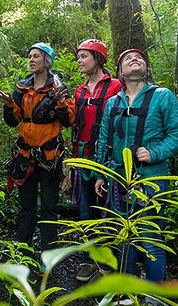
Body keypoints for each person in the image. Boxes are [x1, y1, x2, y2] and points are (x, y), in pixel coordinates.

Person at [93, 48, 178, 298]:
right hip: (118, 178)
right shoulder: (114, 102)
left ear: (146, 68)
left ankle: (154, 297)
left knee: (149, 237)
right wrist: (101, 173)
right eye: (127, 59)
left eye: (140, 58)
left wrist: (154, 152)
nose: (135, 60)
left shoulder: (162, 96)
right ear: (121, 72)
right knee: (124, 236)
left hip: (151, 178)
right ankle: (129, 292)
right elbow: (104, 138)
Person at [0, 43, 76, 252]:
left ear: (47, 61)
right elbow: (14, 121)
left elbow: (70, 120)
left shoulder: (58, 88)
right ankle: (23, 250)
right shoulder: (22, 87)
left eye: (36, 56)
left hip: (50, 157)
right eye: (29, 56)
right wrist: (10, 104)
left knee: (49, 207)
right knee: (27, 207)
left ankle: (49, 253)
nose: (31, 60)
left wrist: (60, 102)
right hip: (25, 155)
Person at [71, 39, 124, 282]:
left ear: (98, 59)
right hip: (83, 155)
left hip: (108, 156)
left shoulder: (115, 86)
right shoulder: (80, 91)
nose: (79, 61)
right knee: (85, 209)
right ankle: (90, 259)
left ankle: (110, 262)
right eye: (78, 57)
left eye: (84, 56)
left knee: (109, 209)